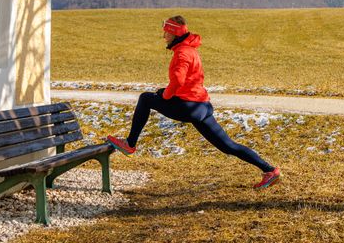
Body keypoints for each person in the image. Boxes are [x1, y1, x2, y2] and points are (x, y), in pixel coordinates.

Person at [106, 15, 281, 189]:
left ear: (174, 34)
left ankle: (130, 144)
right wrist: (165, 93)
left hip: (188, 107)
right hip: (202, 106)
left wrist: (165, 96)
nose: (164, 36)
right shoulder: (190, 50)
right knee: (228, 146)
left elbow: (178, 81)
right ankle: (269, 170)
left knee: (145, 98)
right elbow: (184, 83)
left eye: (166, 32)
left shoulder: (182, 53)